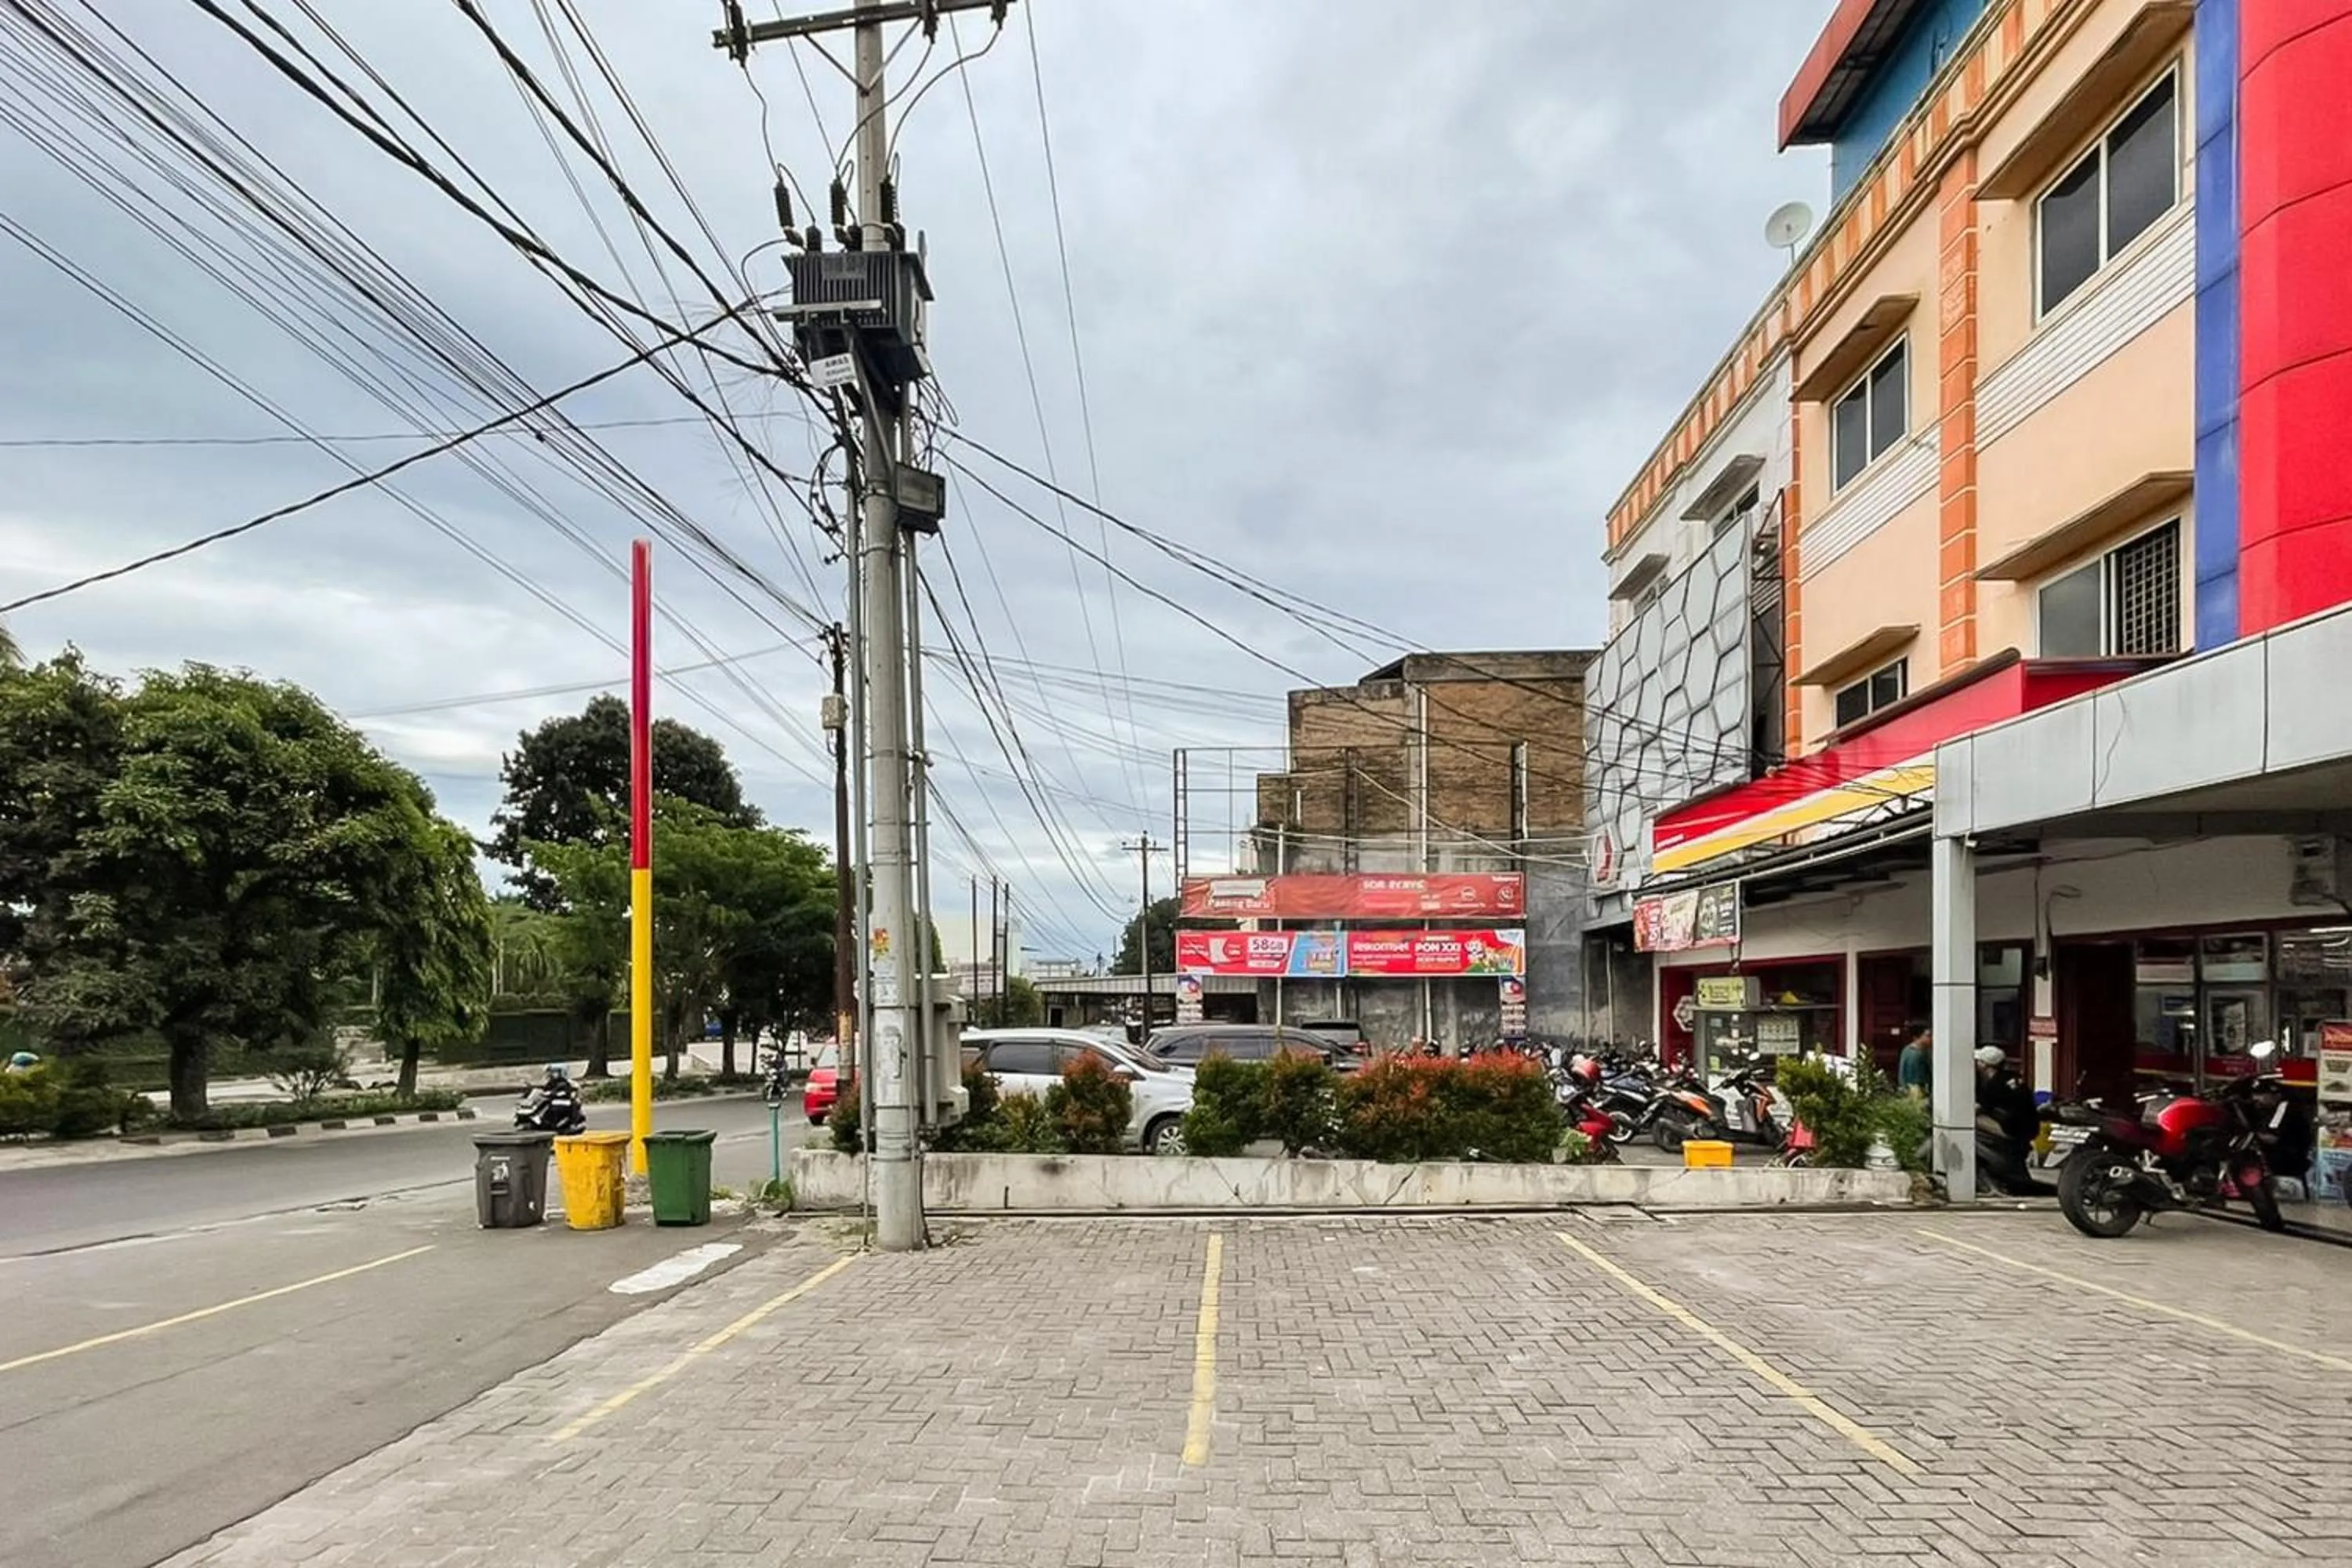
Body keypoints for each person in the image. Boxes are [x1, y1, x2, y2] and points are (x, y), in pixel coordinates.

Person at [1897, 1027, 1933, 1097]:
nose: (1931, 1039)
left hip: (1925, 1088)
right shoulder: (1909, 1052)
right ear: (1917, 1037)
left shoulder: (1927, 1051)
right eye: (1928, 1036)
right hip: (1914, 1087)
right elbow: (1902, 1070)